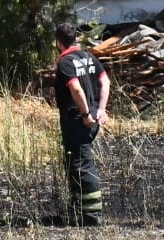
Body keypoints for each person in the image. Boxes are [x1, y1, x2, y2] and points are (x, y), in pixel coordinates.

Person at [54, 22, 111, 226]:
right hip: (92, 119)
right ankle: (78, 210)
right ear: (76, 38)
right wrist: (101, 110)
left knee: (81, 165)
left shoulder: (66, 63)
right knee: (75, 164)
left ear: (58, 42)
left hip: (79, 121)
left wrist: (86, 114)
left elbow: (76, 89)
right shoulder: (89, 57)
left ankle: (91, 216)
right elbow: (105, 81)